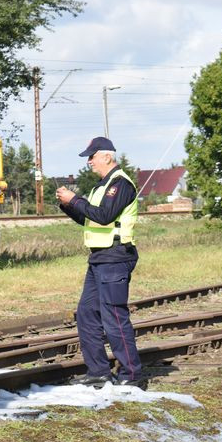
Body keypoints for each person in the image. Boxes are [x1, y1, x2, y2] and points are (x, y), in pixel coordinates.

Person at [55, 136, 146, 389]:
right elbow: (91, 219)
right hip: (100, 258)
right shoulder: (101, 186)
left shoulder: (120, 185)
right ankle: (98, 372)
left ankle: (131, 375)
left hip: (116, 258)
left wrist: (75, 199)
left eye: (92, 157)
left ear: (107, 156)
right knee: (86, 313)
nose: (89, 162)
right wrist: (67, 205)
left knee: (114, 317)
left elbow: (105, 216)